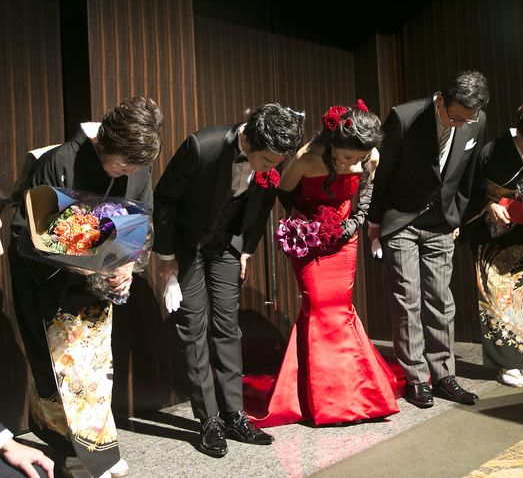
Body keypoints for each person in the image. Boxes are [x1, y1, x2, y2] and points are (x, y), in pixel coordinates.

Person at [9, 97, 163, 478]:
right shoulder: (60, 162)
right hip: (51, 284)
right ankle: (76, 451)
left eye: (136, 168)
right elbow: (29, 232)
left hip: (99, 286)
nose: (130, 172)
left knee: (94, 370)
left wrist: (127, 265)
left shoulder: (138, 166)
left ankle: (94, 450)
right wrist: (82, 264)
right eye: (124, 165)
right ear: (104, 143)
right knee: (64, 371)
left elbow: (140, 224)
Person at [152, 103, 305, 458]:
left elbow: (262, 206)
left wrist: (246, 249)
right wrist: (166, 255)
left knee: (228, 326)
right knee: (193, 327)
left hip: (227, 245)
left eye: (276, 164)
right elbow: (165, 199)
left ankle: (234, 414)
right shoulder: (202, 147)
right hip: (187, 245)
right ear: (247, 140)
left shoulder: (270, 158)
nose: (270, 169)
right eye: (266, 162)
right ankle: (209, 420)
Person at [251, 99, 400, 427]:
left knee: (341, 308)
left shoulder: (370, 157)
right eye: (348, 157)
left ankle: (356, 393)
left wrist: (353, 223)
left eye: (359, 159)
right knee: (318, 307)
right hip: (311, 238)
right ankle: (327, 397)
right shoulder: (306, 159)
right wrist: (308, 222)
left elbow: (365, 197)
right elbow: (284, 194)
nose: (353, 163)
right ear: (332, 143)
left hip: (346, 236)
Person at [368, 71, 489, 408]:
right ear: (440, 100)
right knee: (408, 299)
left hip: (441, 221)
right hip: (402, 218)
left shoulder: (476, 121)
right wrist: (375, 222)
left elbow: (468, 175)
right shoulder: (404, 117)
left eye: (468, 119)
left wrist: (456, 217)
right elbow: (383, 173)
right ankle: (416, 378)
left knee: (440, 299)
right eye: (456, 117)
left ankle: (444, 374)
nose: (461, 124)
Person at [466, 100, 523, 387]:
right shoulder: (490, 151)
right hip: (492, 232)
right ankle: (504, 364)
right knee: (496, 295)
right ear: (518, 133)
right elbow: (470, 188)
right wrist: (489, 204)